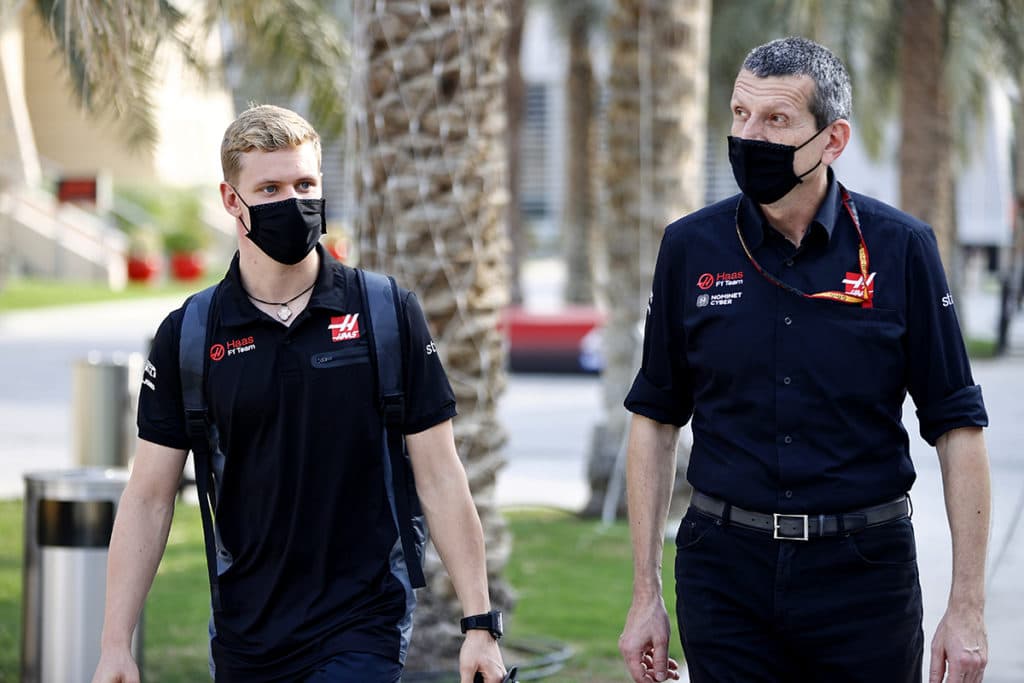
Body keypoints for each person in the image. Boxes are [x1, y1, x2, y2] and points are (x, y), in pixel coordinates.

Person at [618, 37, 991, 683]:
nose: (748, 135)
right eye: (739, 114)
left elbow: (958, 425)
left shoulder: (903, 249)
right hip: (724, 572)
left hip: (865, 576)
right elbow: (654, 417)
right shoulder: (690, 247)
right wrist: (644, 592)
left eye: (776, 120)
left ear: (833, 139)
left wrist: (967, 605)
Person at [92, 104, 508, 683]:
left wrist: (479, 625)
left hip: (364, 622)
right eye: (270, 187)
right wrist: (115, 644)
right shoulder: (190, 335)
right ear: (231, 200)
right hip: (246, 632)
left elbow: (439, 473)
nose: (294, 201)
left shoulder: (385, 313)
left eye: (305, 183)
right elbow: (149, 497)